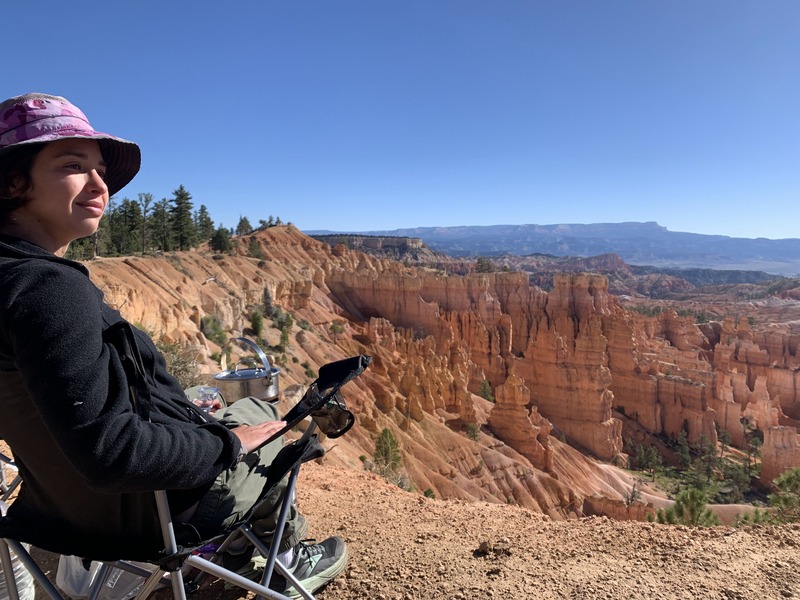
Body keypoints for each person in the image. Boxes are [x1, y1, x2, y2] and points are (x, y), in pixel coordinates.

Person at [0, 93, 347, 598]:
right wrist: (227, 444)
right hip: (144, 515)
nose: (100, 185)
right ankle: (280, 558)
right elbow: (110, 453)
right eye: (73, 166)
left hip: (58, 508)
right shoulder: (48, 289)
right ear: (13, 181)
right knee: (264, 424)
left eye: (101, 171)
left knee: (244, 408)